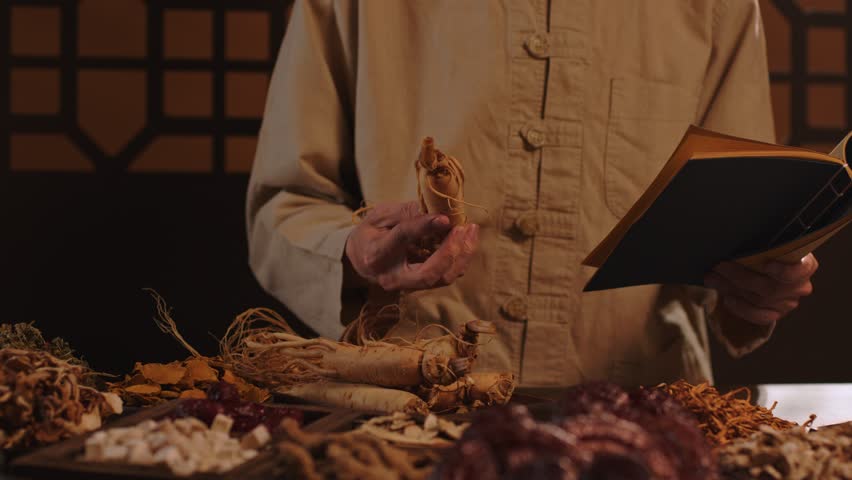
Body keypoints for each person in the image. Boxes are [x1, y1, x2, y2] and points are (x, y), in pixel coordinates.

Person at [246, 0, 819, 387]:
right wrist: (350, 251)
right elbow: (284, 205)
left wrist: (762, 279)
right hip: (401, 415)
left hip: (641, 421)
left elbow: (739, 225)